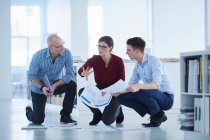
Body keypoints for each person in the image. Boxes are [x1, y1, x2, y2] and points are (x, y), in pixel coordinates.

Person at [116, 37, 174, 127]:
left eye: (128, 50)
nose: (126, 52)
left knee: (141, 90)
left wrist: (138, 86)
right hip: (151, 95)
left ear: (137, 51)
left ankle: (158, 115)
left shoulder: (154, 61)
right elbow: (131, 84)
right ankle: (157, 115)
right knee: (121, 98)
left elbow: (156, 85)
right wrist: (118, 92)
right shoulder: (137, 65)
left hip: (166, 98)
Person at [26, 34, 77, 125]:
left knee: (72, 85)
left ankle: (65, 116)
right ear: (50, 47)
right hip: (39, 88)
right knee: (38, 120)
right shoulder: (38, 56)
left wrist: (55, 85)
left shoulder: (67, 53)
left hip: (55, 84)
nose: (62, 48)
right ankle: (29, 112)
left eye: (62, 44)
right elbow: (32, 77)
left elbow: (70, 74)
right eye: (59, 46)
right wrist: (42, 88)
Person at [78, 36, 125, 125]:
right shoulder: (95, 59)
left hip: (114, 91)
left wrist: (110, 92)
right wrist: (83, 73)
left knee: (107, 121)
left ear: (110, 48)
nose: (100, 48)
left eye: (104, 46)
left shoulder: (118, 61)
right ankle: (97, 114)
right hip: (100, 88)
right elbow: (81, 70)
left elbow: (121, 81)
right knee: (81, 92)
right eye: (99, 46)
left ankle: (119, 110)